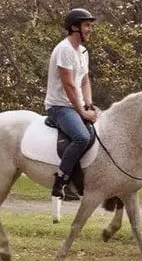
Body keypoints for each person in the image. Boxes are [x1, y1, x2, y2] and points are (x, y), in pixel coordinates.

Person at [44, 8, 98, 201]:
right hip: (59, 107)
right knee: (82, 137)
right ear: (74, 27)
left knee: (93, 134)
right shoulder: (64, 50)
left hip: (75, 105)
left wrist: (89, 104)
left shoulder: (83, 51)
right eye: (87, 25)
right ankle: (60, 181)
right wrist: (83, 112)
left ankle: (78, 179)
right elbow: (68, 85)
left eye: (90, 25)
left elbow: (84, 81)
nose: (90, 29)